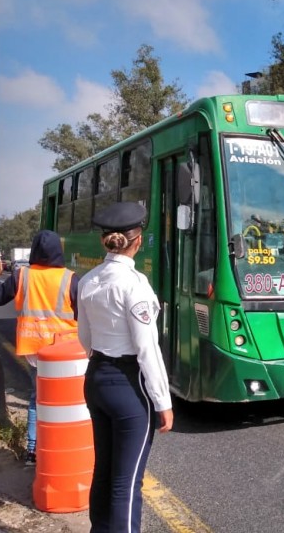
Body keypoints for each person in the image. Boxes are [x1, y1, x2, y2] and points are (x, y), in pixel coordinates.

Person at [77, 201, 173, 533]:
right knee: (127, 482)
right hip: (128, 386)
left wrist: (103, 360)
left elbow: (84, 338)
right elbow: (148, 349)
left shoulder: (88, 280)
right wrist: (163, 402)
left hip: (96, 379)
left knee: (103, 470)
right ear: (137, 240)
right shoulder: (135, 285)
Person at [0, 230, 79, 466]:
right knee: (72, 400)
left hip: (35, 350)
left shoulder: (22, 276)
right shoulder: (70, 278)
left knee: (38, 400)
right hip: (66, 352)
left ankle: (33, 451)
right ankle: (67, 446)